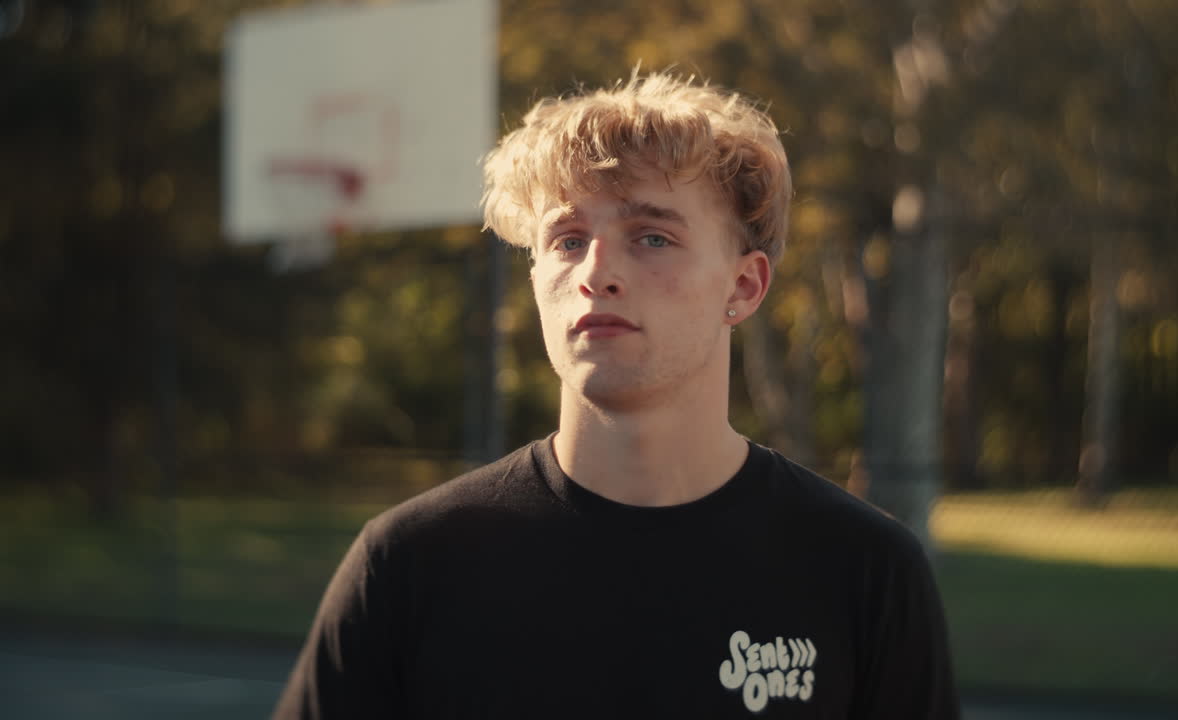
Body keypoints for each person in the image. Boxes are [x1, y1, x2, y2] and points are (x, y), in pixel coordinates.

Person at [273, 71, 958, 719]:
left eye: (652, 237)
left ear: (744, 286)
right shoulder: (409, 564)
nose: (596, 272)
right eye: (568, 239)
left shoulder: (864, 572)